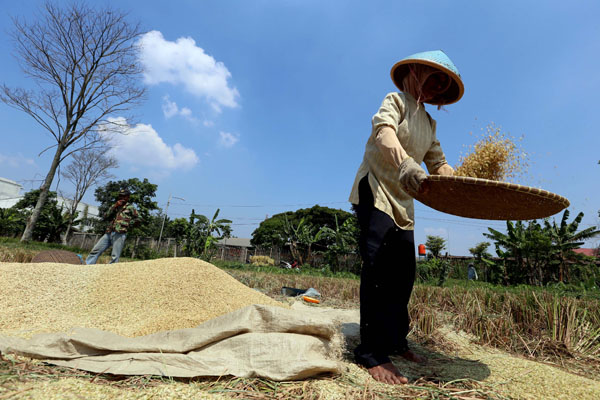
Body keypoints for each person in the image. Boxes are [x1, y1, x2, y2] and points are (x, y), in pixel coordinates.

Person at [348, 50, 464, 384]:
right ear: (415, 70)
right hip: (377, 191)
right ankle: (370, 352)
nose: (436, 88)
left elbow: (439, 164)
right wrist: (404, 163)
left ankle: (396, 342)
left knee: (403, 275)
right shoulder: (395, 100)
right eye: (434, 78)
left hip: (404, 203)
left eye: (442, 85)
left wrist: (462, 184)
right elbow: (383, 130)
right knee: (378, 270)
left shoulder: (429, 122)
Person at [86, 188, 140, 264]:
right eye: (120, 196)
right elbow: (105, 216)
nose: (122, 198)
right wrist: (114, 206)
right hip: (109, 232)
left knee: (115, 256)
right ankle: (88, 266)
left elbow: (139, 218)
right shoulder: (115, 206)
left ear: (128, 197)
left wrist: (128, 223)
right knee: (95, 250)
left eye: (124, 196)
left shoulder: (131, 208)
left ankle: (111, 273)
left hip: (120, 233)